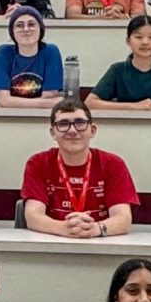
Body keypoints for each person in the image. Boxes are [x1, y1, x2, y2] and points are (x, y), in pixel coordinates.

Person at [20, 98, 136, 239]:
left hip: (99, 243)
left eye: (80, 123)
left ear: (92, 130)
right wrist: (64, 228)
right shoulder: (38, 163)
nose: (72, 130)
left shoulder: (113, 164)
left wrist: (94, 229)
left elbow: (123, 218)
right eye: (63, 124)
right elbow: (33, 216)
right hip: (53, 243)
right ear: (52, 133)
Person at [0, 6, 64, 110]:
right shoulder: (3, 53)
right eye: (19, 25)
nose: (26, 29)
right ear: (12, 31)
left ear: (40, 28)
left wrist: (11, 103)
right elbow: (4, 100)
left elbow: (50, 95)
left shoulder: (51, 51)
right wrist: (49, 103)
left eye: (31, 24)